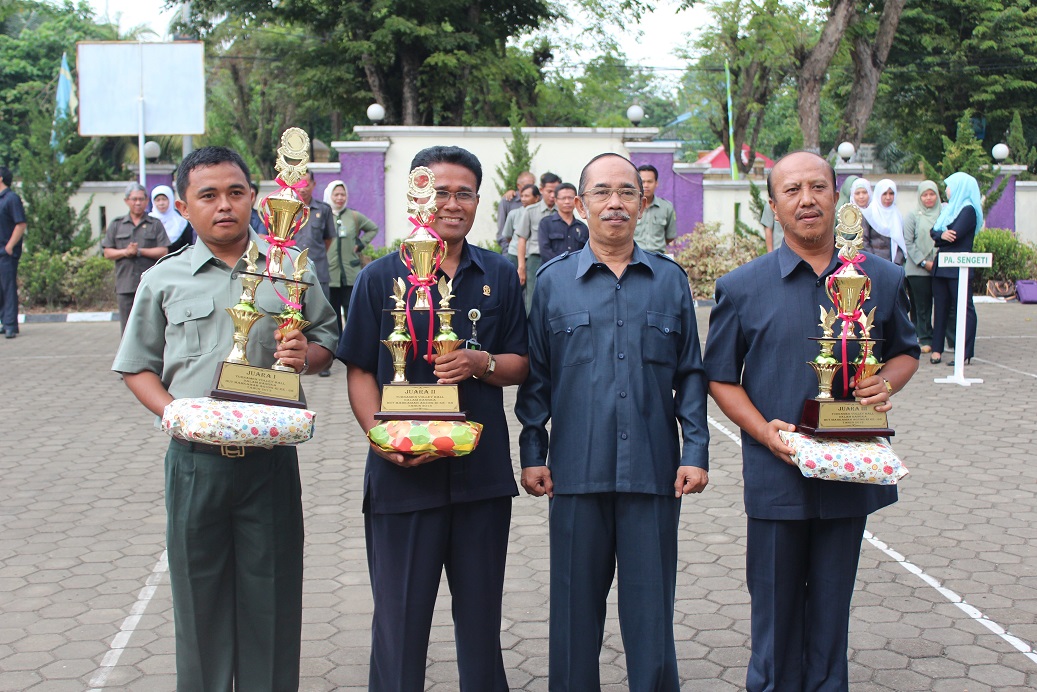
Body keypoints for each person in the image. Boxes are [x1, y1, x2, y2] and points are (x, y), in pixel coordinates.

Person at [111, 146, 339, 690]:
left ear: (254, 199)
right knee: (200, 604)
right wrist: (175, 414)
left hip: (268, 463)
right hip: (196, 465)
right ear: (183, 207)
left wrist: (304, 354)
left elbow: (327, 341)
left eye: (236, 193)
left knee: (272, 602)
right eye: (208, 195)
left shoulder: (291, 269)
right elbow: (136, 366)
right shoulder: (164, 279)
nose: (224, 205)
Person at [703, 151, 919, 692]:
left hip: (849, 470)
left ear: (837, 198)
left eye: (818, 187)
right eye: (792, 190)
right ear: (773, 205)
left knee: (830, 611)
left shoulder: (880, 278)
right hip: (776, 476)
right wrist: (763, 432)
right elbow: (720, 378)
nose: (807, 199)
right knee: (775, 614)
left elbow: (906, 350)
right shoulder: (742, 287)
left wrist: (886, 382)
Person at [338, 145, 528, 691]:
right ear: (416, 197)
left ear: (477, 201)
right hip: (402, 477)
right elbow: (360, 371)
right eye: (439, 191)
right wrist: (381, 438)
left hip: (480, 477)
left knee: (481, 622)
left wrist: (480, 362)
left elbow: (521, 363)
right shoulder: (379, 278)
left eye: (464, 193)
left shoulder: (498, 274)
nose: (451, 203)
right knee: (399, 623)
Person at [517, 153, 709, 691]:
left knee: (651, 614)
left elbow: (691, 373)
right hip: (575, 473)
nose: (615, 203)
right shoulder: (553, 283)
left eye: (627, 192)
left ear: (643, 204)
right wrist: (532, 451)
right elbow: (537, 377)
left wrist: (695, 451)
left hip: (653, 471)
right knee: (574, 613)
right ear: (580, 205)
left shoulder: (669, 281)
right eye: (601, 192)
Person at [102, 182, 170, 333]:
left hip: (150, 285)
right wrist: (125, 252)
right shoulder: (117, 224)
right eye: (134, 199)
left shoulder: (155, 224)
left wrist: (139, 251)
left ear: (146, 201)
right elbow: (107, 252)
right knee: (127, 329)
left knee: (152, 327)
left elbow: (163, 251)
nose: (138, 203)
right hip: (125, 285)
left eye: (141, 199)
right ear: (127, 201)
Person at [931, 172, 982, 367]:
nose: (946, 190)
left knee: (963, 308)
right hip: (942, 265)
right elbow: (934, 232)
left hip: (958, 266)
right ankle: (937, 350)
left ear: (960, 187)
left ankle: (964, 352)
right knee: (940, 308)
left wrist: (940, 236)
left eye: (949, 186)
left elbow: (955, 234)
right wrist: (940, 235)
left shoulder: (968, 210)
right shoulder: (949, 209)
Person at [295, 171, 337, 376]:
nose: (302, 188)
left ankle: (323, 364)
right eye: (299, 184)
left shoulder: (324, 209)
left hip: (318, 270)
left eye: (306, 183)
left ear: (313, 184)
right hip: (292, 271)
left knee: (321, 318)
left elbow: (328, 239)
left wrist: (313, 261)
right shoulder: (289, 208)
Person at [324, 180, 378, 334]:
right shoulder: (324, 215)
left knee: (353, 313)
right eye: (336, 194)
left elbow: (373, 228)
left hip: (350, 273)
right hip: (330, 274)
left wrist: (360, 243)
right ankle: (336, 345)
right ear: (329, 195)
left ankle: (352, 344)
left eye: (343, 194)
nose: (340, 198)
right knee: (332, 314)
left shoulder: (353, 215)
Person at [903, 181, 941, 356]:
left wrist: (937, 262)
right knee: (921, 306)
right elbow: (908, 242)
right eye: (925, 195)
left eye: (932, 194)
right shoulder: (913, 216)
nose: (928, 198)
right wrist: (924, 262)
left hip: (939, 267)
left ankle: (941, 337)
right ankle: (924, 338)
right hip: (918, 269)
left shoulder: (943, 215)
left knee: (940, 304)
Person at [515, 172, 561, 312]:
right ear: (541, 190)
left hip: (557, 259)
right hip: (535, 260)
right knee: (533, 298)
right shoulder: (530, 211)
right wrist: (521, 267)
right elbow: (522, 239)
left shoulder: (562, 212)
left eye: (555, 191)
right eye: (549, 191)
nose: (552, 195)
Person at [0, 165, 26, 339]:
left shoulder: (11, 199)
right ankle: (4, 321)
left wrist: (9, 246)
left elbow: (20, 224)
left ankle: (10, 325)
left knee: (8, 288)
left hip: (6, 253)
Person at [537, 182, 587, 263]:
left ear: (576, 201)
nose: (567, 201)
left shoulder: (582, 227)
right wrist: (562, 265)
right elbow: (545, 251)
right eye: (563, 198)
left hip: (576, 269)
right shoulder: (546, 223)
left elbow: (585, 252)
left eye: (570, 198)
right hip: (552, 268)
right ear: (556, 201)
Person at [633, 164, 677, 253]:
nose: (646, 185)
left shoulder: (666, 207)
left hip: (657, 255)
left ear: (656, 183)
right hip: (635, 255)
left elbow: (670, 236)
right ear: (637, 184)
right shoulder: (630, 206)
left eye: (650, 182)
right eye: (642, 182)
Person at [862, 178, 906, 265]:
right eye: (884, 194)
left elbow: (901, 241)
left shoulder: (897, 215)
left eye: (891, 193)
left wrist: (896, 263)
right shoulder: (869, 214)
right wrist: (874, 262)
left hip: (893, 264)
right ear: (878, 194)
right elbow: (864, 241)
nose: (888, 197)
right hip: (873, 262)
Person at [497, 170, 535, 254]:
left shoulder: (538, 200)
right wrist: (507, 250)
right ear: (518, 186)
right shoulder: (508, 201)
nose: (530, 189)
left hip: (532, 253)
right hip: (512, 252)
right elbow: (502, 230)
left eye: (532, 185)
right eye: (527, 186)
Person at [504, 184, 540, 269]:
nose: (523, 199)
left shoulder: (542, 214)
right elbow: (508, 236)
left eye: (527, 196)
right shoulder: (513, 214)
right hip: (514, 255)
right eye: (522, 196)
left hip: (534, 257)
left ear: (536, 198)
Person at [149, 185, 192, 254]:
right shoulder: (148, 221)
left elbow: (188, 246)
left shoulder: (181, 222)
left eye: (164, 199)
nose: (161, 203)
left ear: (171, 200)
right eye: (158, 200)